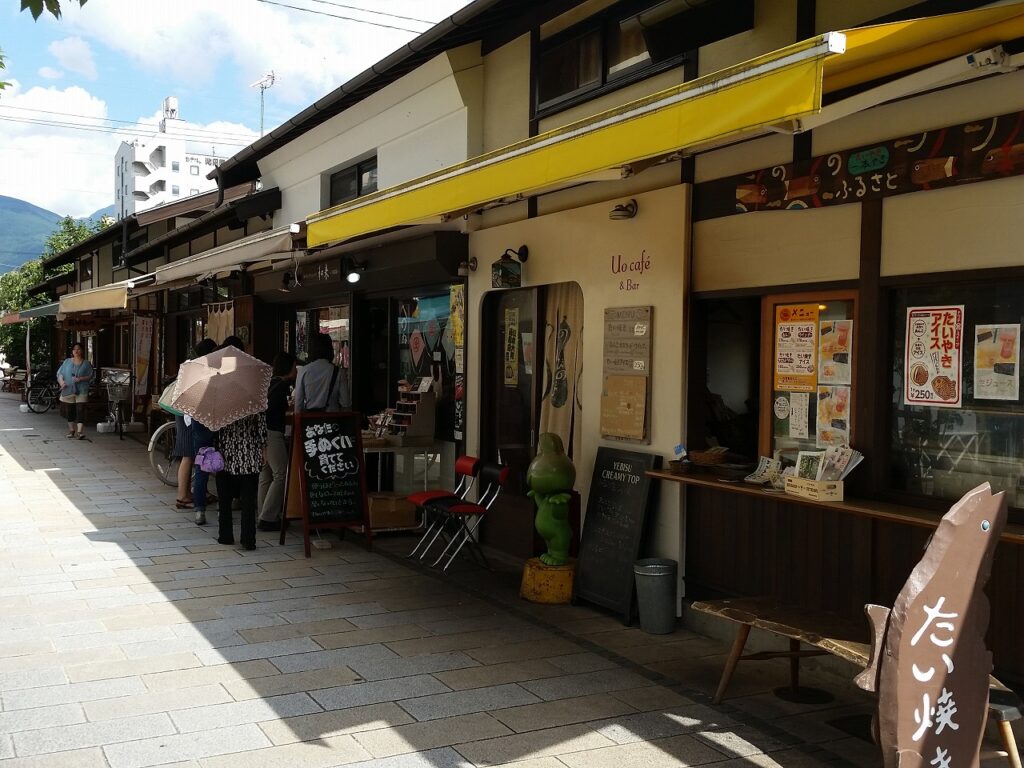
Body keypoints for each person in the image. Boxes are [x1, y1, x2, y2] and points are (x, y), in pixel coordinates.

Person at [215, 336, 267, 550]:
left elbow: (214, 422)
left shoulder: (218, 384)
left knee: (224, 499)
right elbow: (261, 420)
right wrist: (264, 446)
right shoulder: (254, 383)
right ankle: (249, 539)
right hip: (250, 451)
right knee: (248, 499)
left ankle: (225, 535)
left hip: (226, 451)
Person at [257, 351, 296, 531]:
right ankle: (268, 517)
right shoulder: (281, 386)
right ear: (289, 368)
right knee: (282, 474)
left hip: (262, 432)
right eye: (294, 366)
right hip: (273, 432)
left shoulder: (268, 383)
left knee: (266, 473)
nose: (296, 370)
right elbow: (272, 408)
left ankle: (263, 512)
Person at [189, 337, 219, 525]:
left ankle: (199, 510)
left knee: (201, 467)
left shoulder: (193, 373)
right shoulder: (217, 373)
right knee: (221, 466)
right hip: (215, 422)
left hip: (198, 421)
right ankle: (223, 506)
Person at [293, 332, 350, 412]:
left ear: (311, 349)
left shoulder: (303, 371)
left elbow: (298, 407)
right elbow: (345, 404)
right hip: (332, 421)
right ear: (330, 349)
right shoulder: (339, 372)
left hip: (310, 422)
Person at [56, 341, 94, 439]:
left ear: (82, 351)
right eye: (74, 349)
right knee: (70, 410)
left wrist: (81, 379)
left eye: (78, 349)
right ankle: (71, 430)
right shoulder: (67, 361)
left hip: (82, 389)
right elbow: (60, 374)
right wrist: (62, 383)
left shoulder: (86, 363)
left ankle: (80, 432)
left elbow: (91, 376)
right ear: (72, 351)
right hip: (68, 389)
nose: (76, 351)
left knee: (80, 409)